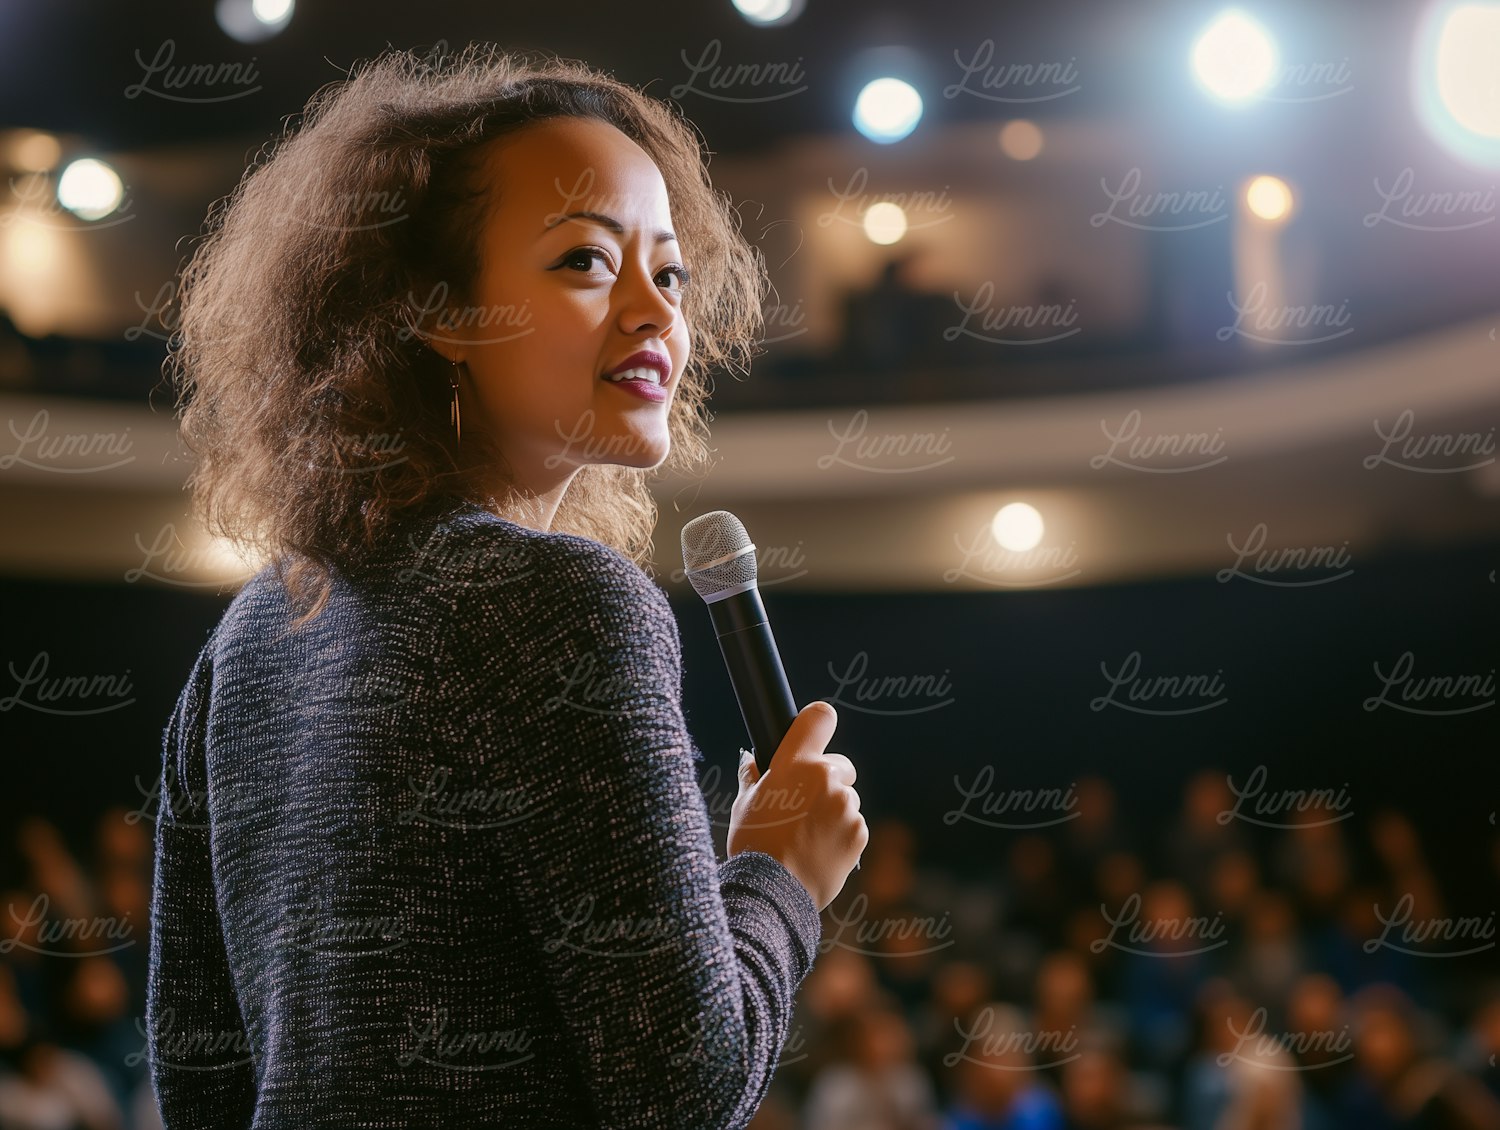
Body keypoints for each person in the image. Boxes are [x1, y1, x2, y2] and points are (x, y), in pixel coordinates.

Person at [147, 44, 867, 1129]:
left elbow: (200, 1079)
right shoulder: (563, 601)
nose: (654, 312)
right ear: (432, 309)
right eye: (585, 260)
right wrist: (777, 871)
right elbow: (683, 1087)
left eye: (667, 271)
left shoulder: (246, 637)